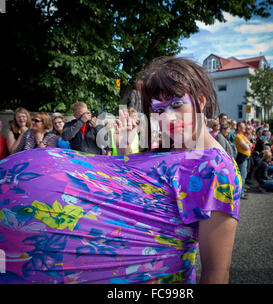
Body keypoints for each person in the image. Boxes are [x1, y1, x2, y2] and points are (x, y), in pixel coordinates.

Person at [0, 56, 241, 284]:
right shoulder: (171, 152)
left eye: (176, 104)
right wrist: (125, 148)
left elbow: (216, 272)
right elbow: (133, 195)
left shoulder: (216, 169)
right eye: (158, 110)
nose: (167, 117)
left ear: (200, 100)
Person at [235, 122, 252, 199]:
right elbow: (247, 147)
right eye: (243, 127)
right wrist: (249, 144)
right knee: (241, 177)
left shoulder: (243, 136)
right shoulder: (238, 136)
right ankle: (240, 194)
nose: (244, 128)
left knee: (244, 176)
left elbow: (251, 144)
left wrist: (249, 144)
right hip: (242, 158)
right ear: (239, 128)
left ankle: (241, 192)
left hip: (246, 158)